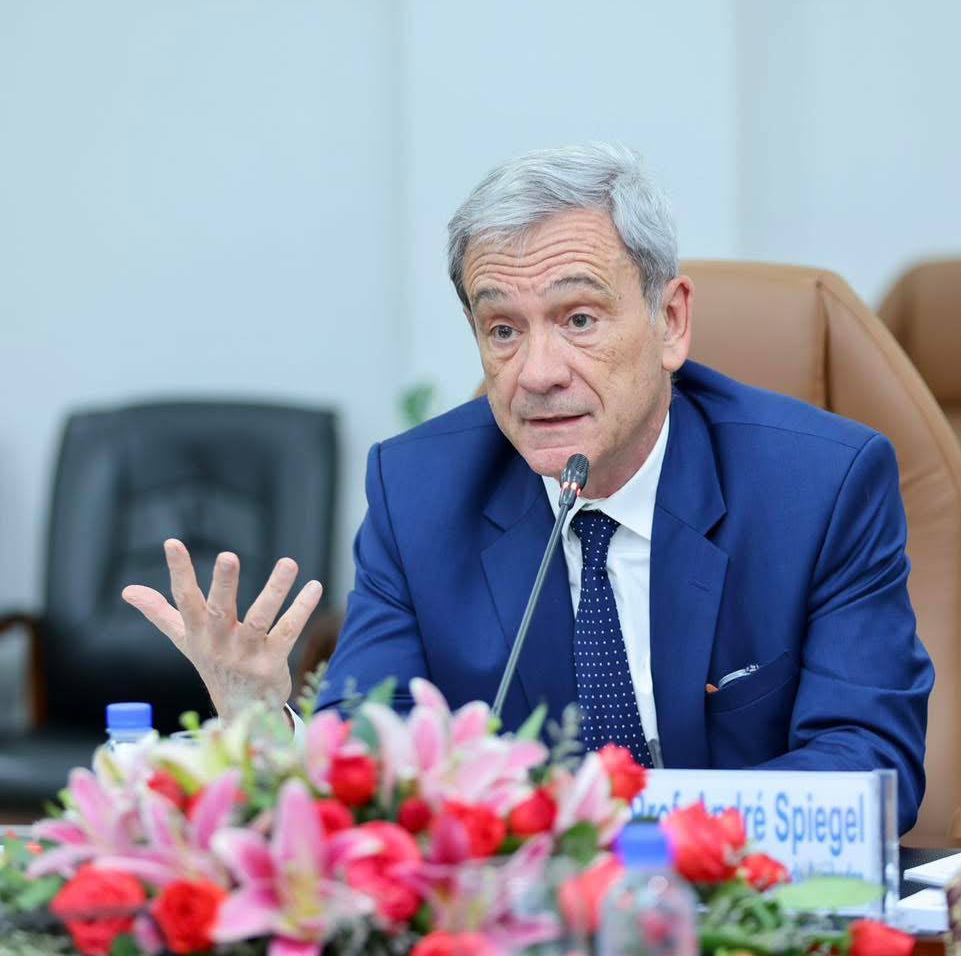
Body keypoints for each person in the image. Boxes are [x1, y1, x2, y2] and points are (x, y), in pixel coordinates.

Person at [122, 143, 933, 834]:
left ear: (670, 322)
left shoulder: (818, 486)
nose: (537, 374)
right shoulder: (419, 492)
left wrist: (621, 840)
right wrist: (267, 727)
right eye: (503, 329)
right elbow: (372, 753)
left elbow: (867, 765)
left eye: (578, 318)